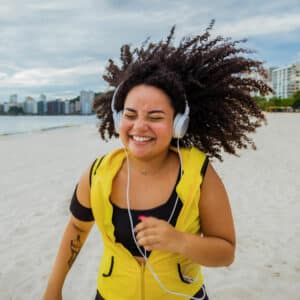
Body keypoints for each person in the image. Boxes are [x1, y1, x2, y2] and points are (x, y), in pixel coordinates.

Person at [43, 22, 271, 300]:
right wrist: (53, 290)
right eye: (130, 115)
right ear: (117, 119)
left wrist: (180, 242)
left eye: (155, 117)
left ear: (178, 124)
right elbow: (77, 228)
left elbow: (226, 252)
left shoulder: (198, 174)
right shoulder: (97, 173)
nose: (139, 126)